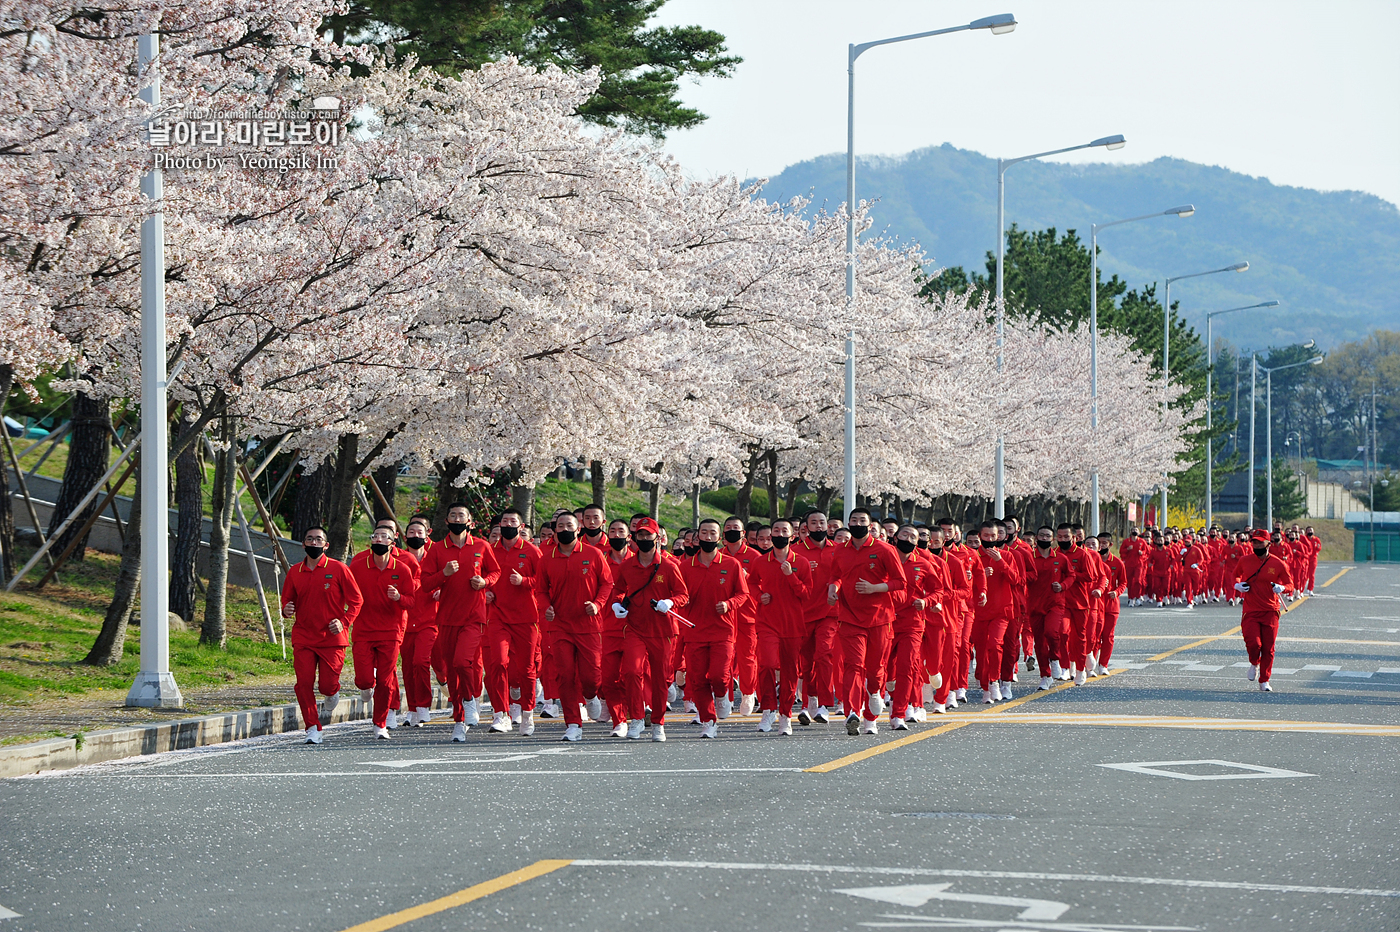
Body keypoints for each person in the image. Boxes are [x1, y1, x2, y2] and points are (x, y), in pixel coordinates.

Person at [419, 503, 500, 741]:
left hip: (474, 617)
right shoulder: (437, 550)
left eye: (461, 515)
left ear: (470, 521)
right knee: (452, 672)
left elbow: (495, 573)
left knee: (462, 662)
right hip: (447, 619)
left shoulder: (481, 546)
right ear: (446, 521)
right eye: (452, 515)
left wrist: (485, 582)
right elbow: (425, 584)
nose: (457, 518)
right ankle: (459, 720)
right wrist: (443, 574)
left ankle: (470, 700)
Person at [280, 526, 363, 744]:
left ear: (326, 545)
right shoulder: (294, 571)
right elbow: (287, 600)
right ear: (303, 544)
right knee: (303, 683)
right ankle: (312, 728)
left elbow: (356, 600)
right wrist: (286, 609)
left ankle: (332, 691)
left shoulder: (339, 568)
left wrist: (344, 622)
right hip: (304, 637)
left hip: (332, 638)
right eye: (310, 539)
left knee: (326, 685)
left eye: (319, 539)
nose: (314, 543)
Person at [827, 507, 907, 735]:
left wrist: (875, 588)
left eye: (862, 520)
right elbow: (835, 575)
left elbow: (900, 582)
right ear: (848, 523)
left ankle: (873, 695)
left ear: (870, 525)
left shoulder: (885, 549)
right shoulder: (840, 551)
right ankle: (852, 712)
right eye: (854, 520)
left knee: (875, 668)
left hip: (880, 618)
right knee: (853, 665)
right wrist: (833, 589)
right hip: (850, 617)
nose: (857, 523)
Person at [611, 517, 688, 741]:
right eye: (640, 535)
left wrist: (670, 603)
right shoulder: (627, 566)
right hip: (635, 627)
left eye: (648, 535)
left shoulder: (669, 566)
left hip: (662, 629)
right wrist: (617, 604)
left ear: (657, 538)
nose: (644, 539)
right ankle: (636, 718)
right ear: (634, 538)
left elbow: (683, 595)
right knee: (632, 671)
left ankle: (658, 723)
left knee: (660, 678)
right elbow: (618, 589)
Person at [539, 512, 614, 741]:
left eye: (568, 525)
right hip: (560, 625)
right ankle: (573, 723)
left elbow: (607, 582)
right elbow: (541, 590)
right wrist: (546, 607)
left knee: (591, 676)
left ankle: (591, 696)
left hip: (588, 624)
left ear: (578, 528)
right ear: (554, 530)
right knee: (565, 674)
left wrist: (598, 604)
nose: (564, 529)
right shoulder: (547, 557)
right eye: (559, 526)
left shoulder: (592, 554)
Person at [677, 518, 750, 738]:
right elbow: (677, 594)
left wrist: (729, 604)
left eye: (712, 534)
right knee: (698, 679)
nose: (708, 537)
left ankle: (721, 696)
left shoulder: (731, 564)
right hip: (695, 630)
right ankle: (708, 721)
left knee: (719, 676)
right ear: (697, 537)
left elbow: (743, 594)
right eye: (704, 533)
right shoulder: (685, 567)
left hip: (723, 631)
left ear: (719, 538)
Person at [349, 526, 415, 738]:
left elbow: (412, 601)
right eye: (375, 536)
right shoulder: (358, 566)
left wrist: (398, 598)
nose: (379, 539)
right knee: (364, 679)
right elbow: (347, 593)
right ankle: (366, 685)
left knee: (386, 681)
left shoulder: (402, 569)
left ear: (392, 543)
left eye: (384, 537)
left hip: (390, 631)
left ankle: (380, 724)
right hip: (363, 630)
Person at [749, 518, 812, 735]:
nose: (779, 534)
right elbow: (750, 583)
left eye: (784, 530)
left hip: (793, 625)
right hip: (767, 622)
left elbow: (806, 593)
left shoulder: (801, 562)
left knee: (789, 671)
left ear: (792, 535)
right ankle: (768, 710)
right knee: (766, 664)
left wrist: (791, 575)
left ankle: (785, 715)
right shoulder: (760, 561)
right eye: (775, 530)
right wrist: (759, 595)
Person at [484, 508, 542, 736]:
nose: (508, 524)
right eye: (504, 521)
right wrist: (485, 591)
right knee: (497, 662)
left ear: (522, 527)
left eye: (512, 521)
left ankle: (527, 713)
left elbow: (544, 581)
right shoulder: (489, 550)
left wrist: (525, 581)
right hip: (498, 616)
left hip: (526, 618)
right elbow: (482, 577)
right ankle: (501, 714)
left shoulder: (531, 551)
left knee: (526, 668)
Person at [1233, 528, 1295, 691]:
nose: (1256, 545)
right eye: (1254, 542)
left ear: (1268, 543)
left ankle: (1264, 680)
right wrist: (1238, 585)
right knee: (1253, 643)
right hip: (1251, 610)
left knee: (1268, 648)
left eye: (1260, 542)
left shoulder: (1278, 563)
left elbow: (1290, 585)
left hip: (1271, 611)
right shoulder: (1245, 560)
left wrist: (1282, 588)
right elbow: (1236, 575)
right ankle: (1254, 662)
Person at [794, 509, 840, 725]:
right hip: (803, 614)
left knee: (824, 654)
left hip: (830, 613)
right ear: (806, 528)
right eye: (814, 523)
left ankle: (824, 704)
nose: (820, 526)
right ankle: (808, 702)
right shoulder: (795, 552)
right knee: (806, 662)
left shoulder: (839, 550)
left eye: (823, 522)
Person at [973, 521, 1023, 703]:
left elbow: (1016, 579)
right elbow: (963, 582)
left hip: (1002, 610)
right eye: (986, 536)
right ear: (980, 536)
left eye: (993, 536)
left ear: (999, 537)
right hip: (979, 610)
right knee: (981, 651)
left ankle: (994, 681)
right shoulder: (973, 557)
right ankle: (986, 687)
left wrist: (1000, 562)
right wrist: (980, 576)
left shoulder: (1007, 556)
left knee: (995, 645)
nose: (989, 539)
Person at [400, 516, 439, 727]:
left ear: (427, 535)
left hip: (429, 619)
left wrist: (442, 590)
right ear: (406, 537)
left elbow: (449, 578)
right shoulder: (400, 559)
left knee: (421, 662)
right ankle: (412, 708)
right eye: (412, 533)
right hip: (405, 621)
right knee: (407, 666)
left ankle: (423, 706)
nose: (416, 536)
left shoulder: (434, 557)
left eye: (420, 533)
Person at [721, 516, 761, 716]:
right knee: (725, 658)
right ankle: (725, 697)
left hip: (747, 614)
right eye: (728, 528)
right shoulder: (718, 555)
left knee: (747, 657)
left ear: (743, 533)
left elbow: (762, 585)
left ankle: (748, 693)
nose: (732, 531)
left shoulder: (754, 557)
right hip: (724, 615)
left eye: (735, 528)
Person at [1094, 532, 1126, 676]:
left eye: (1104, 543)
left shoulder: (1117, 562)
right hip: (1095, 603)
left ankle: (1103, 665)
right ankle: (1090, 664)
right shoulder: (1092, 560)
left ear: (1110, 544)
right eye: (1099, 542)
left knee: (1107, 636)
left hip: (1111, 605)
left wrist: (1117, 592)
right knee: (1094, 635)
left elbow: (1124, 582)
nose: (1101, 545)